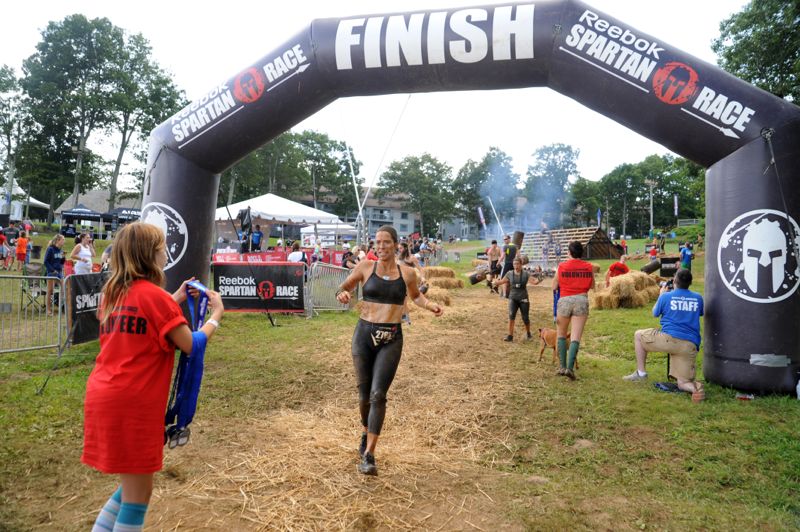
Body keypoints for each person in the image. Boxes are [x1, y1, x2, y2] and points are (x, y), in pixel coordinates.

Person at [82, 222, 225, 531]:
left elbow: (144, 317)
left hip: (104, 395)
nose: (166, 254)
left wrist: (175, 297)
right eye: (162, 248)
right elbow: (191, 343)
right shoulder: (155, 298)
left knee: (129, 488)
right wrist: (216, 316)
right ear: (150, 254)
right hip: (133, 402)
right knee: (138, 497)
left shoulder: (112, 294)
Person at [335, 225, 443, 476]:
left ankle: (369, 454)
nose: (381, 246)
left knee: (378, 395)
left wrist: (430, 305)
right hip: (363, 336)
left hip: (391, 338)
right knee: (364, 396)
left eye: (386, 242)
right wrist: (342, 295)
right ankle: (365, 431)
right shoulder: (365, 267)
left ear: (396, 245)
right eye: (377, 242)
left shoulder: (407, 273)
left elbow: (416, 297)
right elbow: (343, 288)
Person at [623, 269, 704, 398]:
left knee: (638, 335)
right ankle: (695, 389)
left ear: (675, 281)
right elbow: (700, 312)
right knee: (683, 383)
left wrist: (661, 295)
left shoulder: (666, 296)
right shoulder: (698, 298)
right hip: (689, 345)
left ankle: (641, 373)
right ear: (690, 282)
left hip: (668, 340)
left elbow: (655, 313)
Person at [551, 241, 595, 380]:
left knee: (561, 335)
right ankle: (570, 369)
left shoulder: (562, 266)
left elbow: (554, 286)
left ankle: (562, 367)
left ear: (569, 252)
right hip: (581, 300)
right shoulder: (589, 267)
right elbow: (592, 285)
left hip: (564, 300)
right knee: (575, 337)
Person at [493, 256, 541, 342]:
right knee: (511, 316)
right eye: (514, 264)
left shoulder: (525, 274)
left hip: (523, 298)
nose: (516, 266)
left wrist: (541, 276)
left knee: (525, 318)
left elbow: (535, 282)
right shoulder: (509, 273)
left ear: (521, 264)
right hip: (513, 298)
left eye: (517, 264)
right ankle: (510, 336)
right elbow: (501, 281)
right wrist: (495, 282)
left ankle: (528, 334)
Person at [43, 234, 66, 316]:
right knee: (50, 291)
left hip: (59, 273)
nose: (64, 241)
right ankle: (48, 310)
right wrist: (52, 270)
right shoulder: (50, 249)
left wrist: (63, 259)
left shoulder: (60, 250)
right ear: (57, 240)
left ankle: (62, 307)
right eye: (63, 239)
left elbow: (61, 262)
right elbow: (45, 261)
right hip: (51, 273)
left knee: (63, 290)